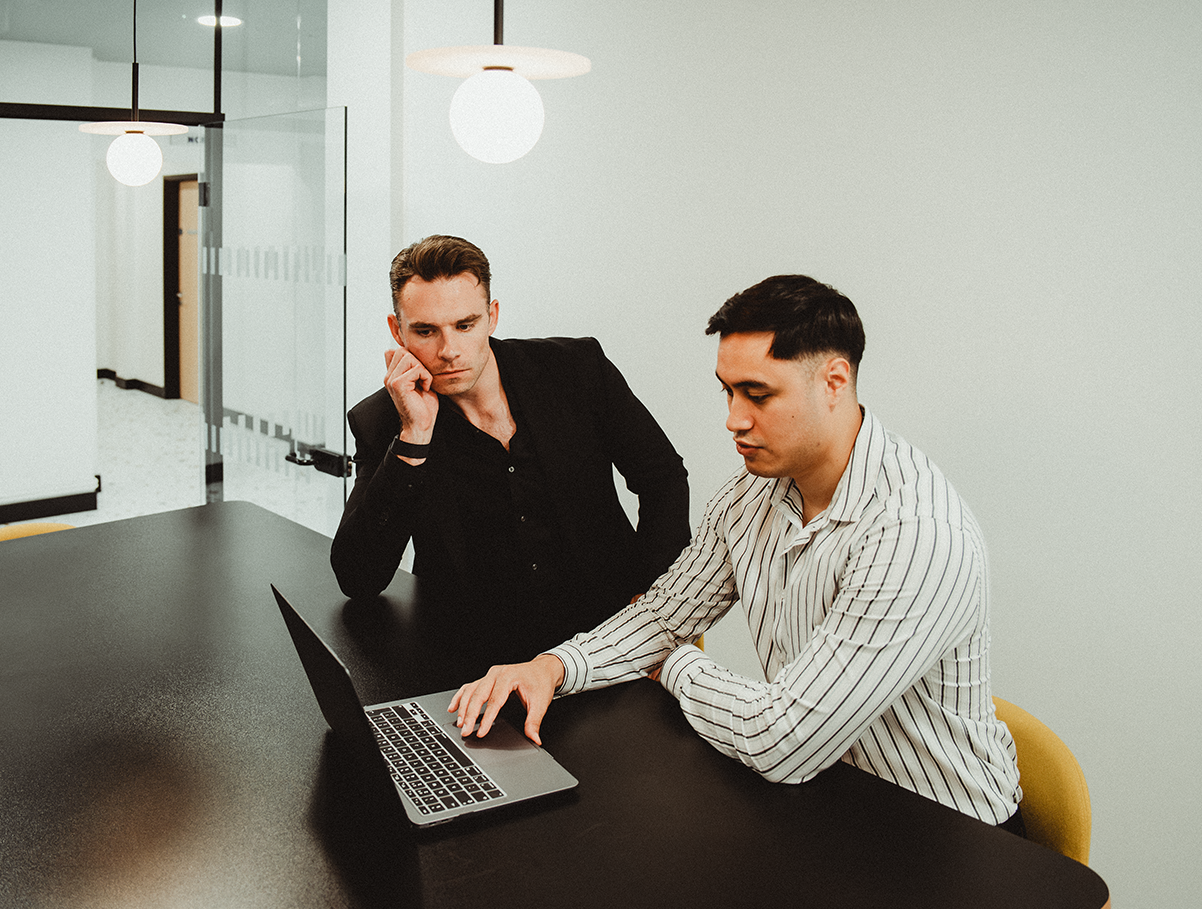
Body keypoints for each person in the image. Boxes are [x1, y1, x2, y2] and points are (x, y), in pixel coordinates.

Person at [450, 274, 1023, 826]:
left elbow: (783, 741)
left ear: (834, 382)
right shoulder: (753, 490)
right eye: (728, 391)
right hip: (829, 802)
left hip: (947, 838)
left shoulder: (915, 532)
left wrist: (673, 663)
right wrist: (551, 668)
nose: (733, 420)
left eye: (758, 395)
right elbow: (663, 613)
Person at [330, 235, 691, 666]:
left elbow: (662, 477)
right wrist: (414, 435)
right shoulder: (385, 422)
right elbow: (358, 577)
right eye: (425, 331)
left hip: (606, 641)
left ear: (492, 316)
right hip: (476, 660)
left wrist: (652, 599)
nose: (448, 351)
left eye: (465, 325)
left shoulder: (576, 370)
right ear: (397, 331)